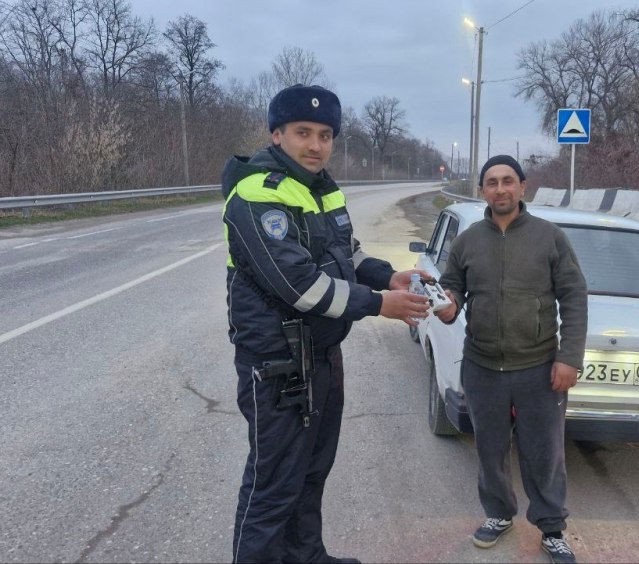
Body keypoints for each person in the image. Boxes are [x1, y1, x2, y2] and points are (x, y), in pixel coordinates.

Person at [221, 83, 430, 564]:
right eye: (303, 132)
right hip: (277, 364)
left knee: (312, 471)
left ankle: (306, 555)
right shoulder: (257, 194)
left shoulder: (321, 189)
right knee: (273, 484)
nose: (316, 145)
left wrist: (388, 276)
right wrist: (379, 304)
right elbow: (299, 286)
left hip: (319, 356)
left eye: (325, 135)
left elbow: (345, 254)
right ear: (277, 135)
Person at [436, 155, 588, 564]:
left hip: (539, 367)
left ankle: (551, 528)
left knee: (545, 452)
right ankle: (499, 513)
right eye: (492, 182)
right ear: (482, 190)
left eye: (508, 181)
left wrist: (569, 358)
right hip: (482, 366)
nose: (500, 189)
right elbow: (452, 288)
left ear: (523, 187)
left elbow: (574, 297)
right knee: (490, 448)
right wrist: (447, 305)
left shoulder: (550, 238)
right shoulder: (468, 241)